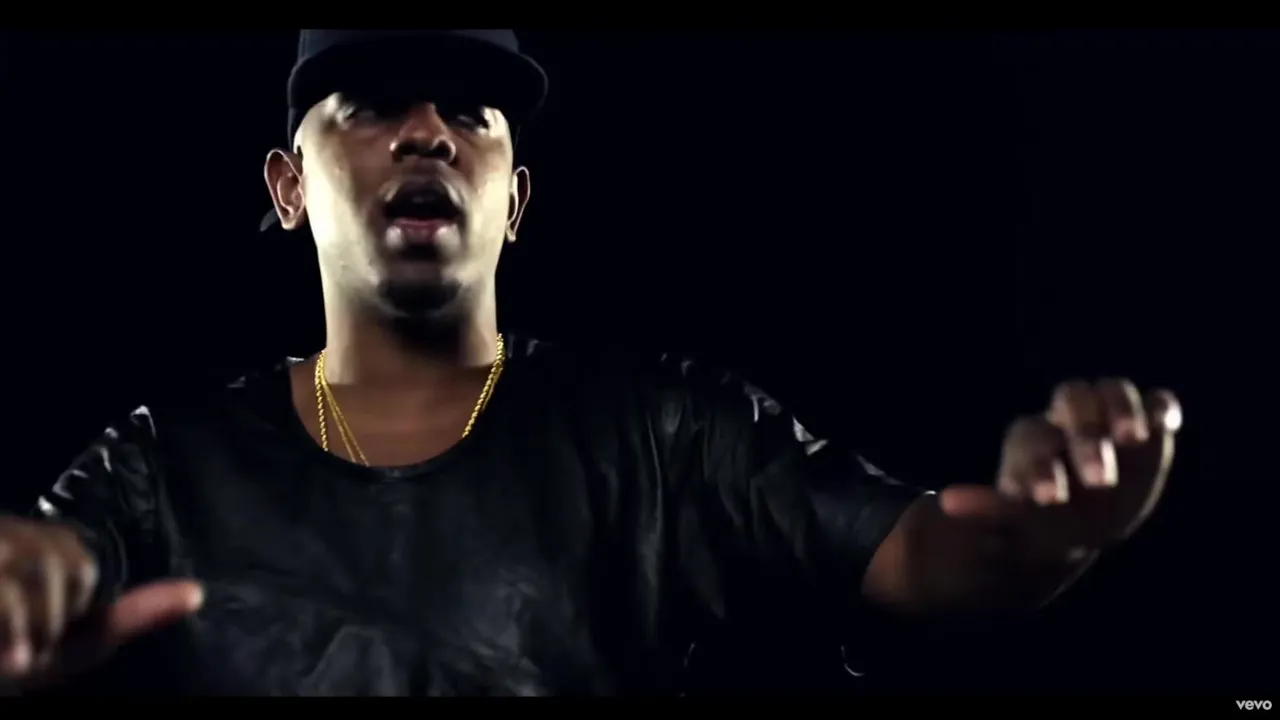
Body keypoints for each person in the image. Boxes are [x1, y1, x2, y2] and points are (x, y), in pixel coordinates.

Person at [0, 29, 1182, 696]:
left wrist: (1050, 531)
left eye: (470, 114)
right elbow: (38, 576)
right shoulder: (162, 466)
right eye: (368, 104)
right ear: (286, 186)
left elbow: (922, 556)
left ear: (514, 200)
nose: (427, 133)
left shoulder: (662, 428)